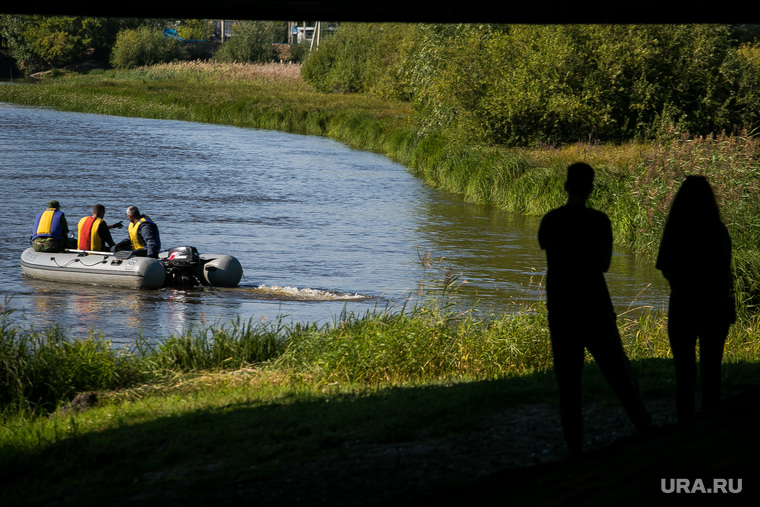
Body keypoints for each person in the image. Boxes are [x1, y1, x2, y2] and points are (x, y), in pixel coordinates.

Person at [538, 162, 651, 455]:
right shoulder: (601, 221)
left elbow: (547, 250)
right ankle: (645, 428)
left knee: (568, 380)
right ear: (591, 188)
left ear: (566, 186)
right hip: (595, 304)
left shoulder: (550, 221)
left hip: (562, 308)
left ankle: (574, 446)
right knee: (618, 371)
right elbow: (604, 265)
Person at [656, 175, 735, 423]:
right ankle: (710, 424)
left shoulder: (675, 231)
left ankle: (685, 423)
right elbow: (725, 272)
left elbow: (665, 267)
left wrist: (683, 288)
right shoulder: (719, 231)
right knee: (712, 371)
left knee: (684, 372)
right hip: (715, 307)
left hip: (683, 306)